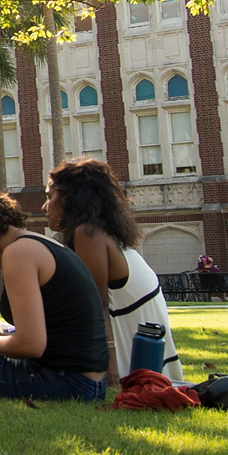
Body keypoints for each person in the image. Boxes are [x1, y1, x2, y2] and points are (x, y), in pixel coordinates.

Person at [0, 189, 110, 401]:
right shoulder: (42, 244)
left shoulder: (19, 253)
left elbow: (31, 345)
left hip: (65, 382)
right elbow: (53, 339)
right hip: (87, 382)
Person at [48, 159, 182, 381]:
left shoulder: (88, 234)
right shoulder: (106, 234)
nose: (45, 206)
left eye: (49, 196)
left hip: (134, 368)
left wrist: (107, 371)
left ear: (70, 198)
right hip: (153, 365)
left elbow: (95, 307)